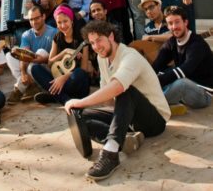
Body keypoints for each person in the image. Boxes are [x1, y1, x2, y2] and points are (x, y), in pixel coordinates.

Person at [64, 20, 170, 181]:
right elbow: (107, 98)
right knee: (81, 115)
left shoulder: (130, 56)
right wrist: (81, 107)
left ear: (111, 36)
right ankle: (126, 139)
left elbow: (117, 88)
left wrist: (80, 101)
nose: (96, 46)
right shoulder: (102, 57)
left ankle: (111, 153)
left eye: (99, 40)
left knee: (124, 89)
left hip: (154, 121)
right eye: (92, 43)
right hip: (130, 118)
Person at [153, 6, 212, 112]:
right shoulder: (171, 42)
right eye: (170, 23)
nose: (174, 27)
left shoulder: (197, 44)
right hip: (186, 82)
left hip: (203, 93)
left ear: (185, 22)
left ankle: (153, 106)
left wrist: (155, 82)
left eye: (177, 22)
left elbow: (185, 70)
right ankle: (163, 100)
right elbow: (157, 65)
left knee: (181, 83)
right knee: (162, 72)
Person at [31, 5, 90, 105]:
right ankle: (65, 99)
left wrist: (64, 78)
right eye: (59, 22)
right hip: (59, 80)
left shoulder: (82, 39)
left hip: (76, 84)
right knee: (35, 68)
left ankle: (55, 96)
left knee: (79, 73)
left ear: (71, 20)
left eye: (65, 21)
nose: (63, 25)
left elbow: (84, 69)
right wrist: (64, 52)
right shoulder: (57, 38)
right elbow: (50, 63)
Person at [6, 5, 57, 105]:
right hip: (30, 65)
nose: (34, 22)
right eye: (31, 19)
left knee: (40, 52)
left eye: (37, 18)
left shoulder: (54, 33)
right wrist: (23, 73)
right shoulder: (27, 34)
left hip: (46, 69)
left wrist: (37, 59)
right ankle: (30, 85)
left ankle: (19, 89)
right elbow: (23, 55)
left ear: (44, 16)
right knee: (9, 55)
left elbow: (54, 58)